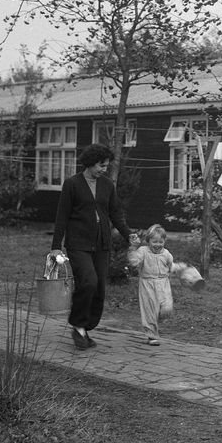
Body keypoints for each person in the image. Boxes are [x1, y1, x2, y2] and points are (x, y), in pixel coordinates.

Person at [50, 143, 134, 350]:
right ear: (90, 162)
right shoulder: (72, 184)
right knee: (88, 281)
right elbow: (62, 216)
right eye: (101, 165)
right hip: (78, 243)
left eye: (106, 166)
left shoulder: (107, 185)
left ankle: (84, 328)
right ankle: (78, 325)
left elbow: (115, 213)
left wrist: (128, 235)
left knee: (98, 289)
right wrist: (55, 246)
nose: (104, 170)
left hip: (101, 243)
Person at [126, 224, 175, 346]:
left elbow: (172, 266)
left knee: (167, 307)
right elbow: (133, 261)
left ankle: (159, 317)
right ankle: (151, 335)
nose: (158, 245)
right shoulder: (143, 251)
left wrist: (180, 271)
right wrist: (133, 248)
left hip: (163, 283)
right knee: (149, 310)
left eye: (161, 242)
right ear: (148, 241)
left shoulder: (166, 254)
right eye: (154, 242)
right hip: (147, 283)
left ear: (164, 241)